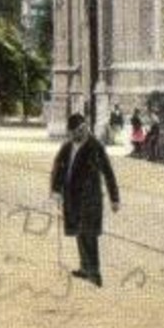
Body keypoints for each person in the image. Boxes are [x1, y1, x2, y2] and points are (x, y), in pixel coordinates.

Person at [50, 112, 119, 287]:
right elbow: (58, 167)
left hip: (90, 199)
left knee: (89, 234)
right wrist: (56, 190)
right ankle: (84, 267)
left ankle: (95, 273)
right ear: (71, 132)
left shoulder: (95, 146)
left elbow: (108, 172)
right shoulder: (67, 146)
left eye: (83, 128)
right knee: (79, 233)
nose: (83, 132)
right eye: (78, 130)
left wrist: (114, 198)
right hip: (72, 198)